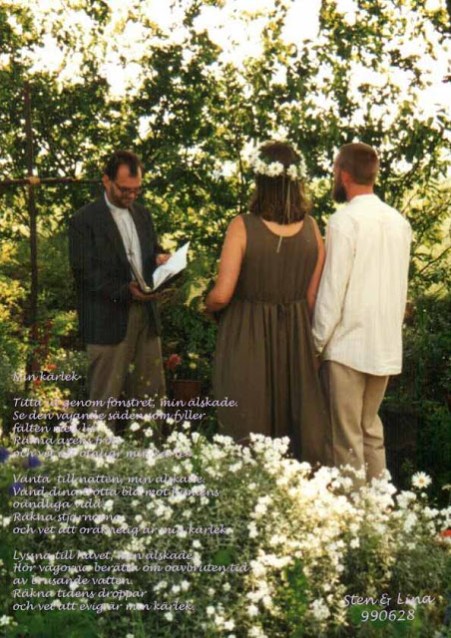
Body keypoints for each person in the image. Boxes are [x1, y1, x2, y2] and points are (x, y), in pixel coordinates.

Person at [205, 141, 329, 464]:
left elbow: (222, 294)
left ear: (260, 180)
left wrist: (206, 303)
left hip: (247, 338)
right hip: (296, 340)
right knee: (294, 423)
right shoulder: (313, 229)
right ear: (297, 181)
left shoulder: (242, 226)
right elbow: (313, 297)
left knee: (247, 422)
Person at [312, 142, 412, 483]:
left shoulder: (344, 221)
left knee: (345, 440)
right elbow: (399, 289)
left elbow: (333, 289)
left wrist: (315, 343)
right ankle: (380, 509)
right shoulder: (399, 222)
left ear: (343, 174)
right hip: (383, 345)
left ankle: (351, 512)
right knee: (370, 432)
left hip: (347, 346)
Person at [68, 150, 169, 409]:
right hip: (106, 320)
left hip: (147, 315)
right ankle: (101, 440)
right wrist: (126, 290)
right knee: (104, 401)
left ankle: (149, 438)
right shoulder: (83, 221)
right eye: (125, 189)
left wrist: (160, 258)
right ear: (106, 180)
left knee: (151, 397)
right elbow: (84, 273)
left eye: (137, 190)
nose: (131, 196)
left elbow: (150, 252)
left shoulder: (143, 214)